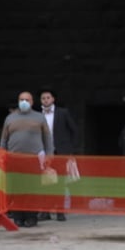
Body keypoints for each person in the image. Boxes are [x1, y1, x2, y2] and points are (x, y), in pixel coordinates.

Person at [0, 91, 53, 228]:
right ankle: (18, 217)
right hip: (13, 159)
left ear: (32, 102)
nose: (24, 102)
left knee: (32, 188)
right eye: (21, 99)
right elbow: (4, 139)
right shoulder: (10, 118)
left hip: (33, 159)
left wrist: (49, 154)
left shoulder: (39, 117)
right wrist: (1, 156)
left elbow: (47, 138)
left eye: (27, 100)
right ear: (18, 101)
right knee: (16, 189)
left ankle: (31, 217)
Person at [37, 89, 78, 221]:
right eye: (43, 98)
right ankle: (46, 211)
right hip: (44, 153)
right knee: (46, 182)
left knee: (60, 182)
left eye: (48, 97)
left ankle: (60, 210)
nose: (46, 100)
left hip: (60, 152)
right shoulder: (37, 115)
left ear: (53, 99)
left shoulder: (63, 112)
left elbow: (74, 130)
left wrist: (69, 149)